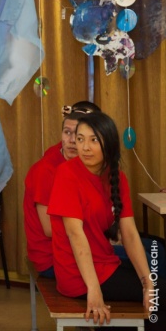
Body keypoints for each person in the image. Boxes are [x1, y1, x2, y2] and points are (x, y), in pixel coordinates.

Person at [48, 112, 164, 329]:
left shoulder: (117, 177)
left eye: (94, 140)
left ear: (109, 143)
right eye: (80, 139)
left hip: (105, 264)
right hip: (77, 275)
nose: (84, 147)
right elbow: (75, 235)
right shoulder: (66, 174)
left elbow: (129, 235)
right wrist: (94, 290)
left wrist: (147, 283)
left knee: (155, 294)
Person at [24, 101, 100, 277]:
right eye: (67, 132)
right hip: (54, 257)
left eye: (79, 135)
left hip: (79, 243)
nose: (72, 141)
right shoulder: (46, 170)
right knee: (147, 259)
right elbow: (49, 230)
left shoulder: (84, 161)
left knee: (154, 248)